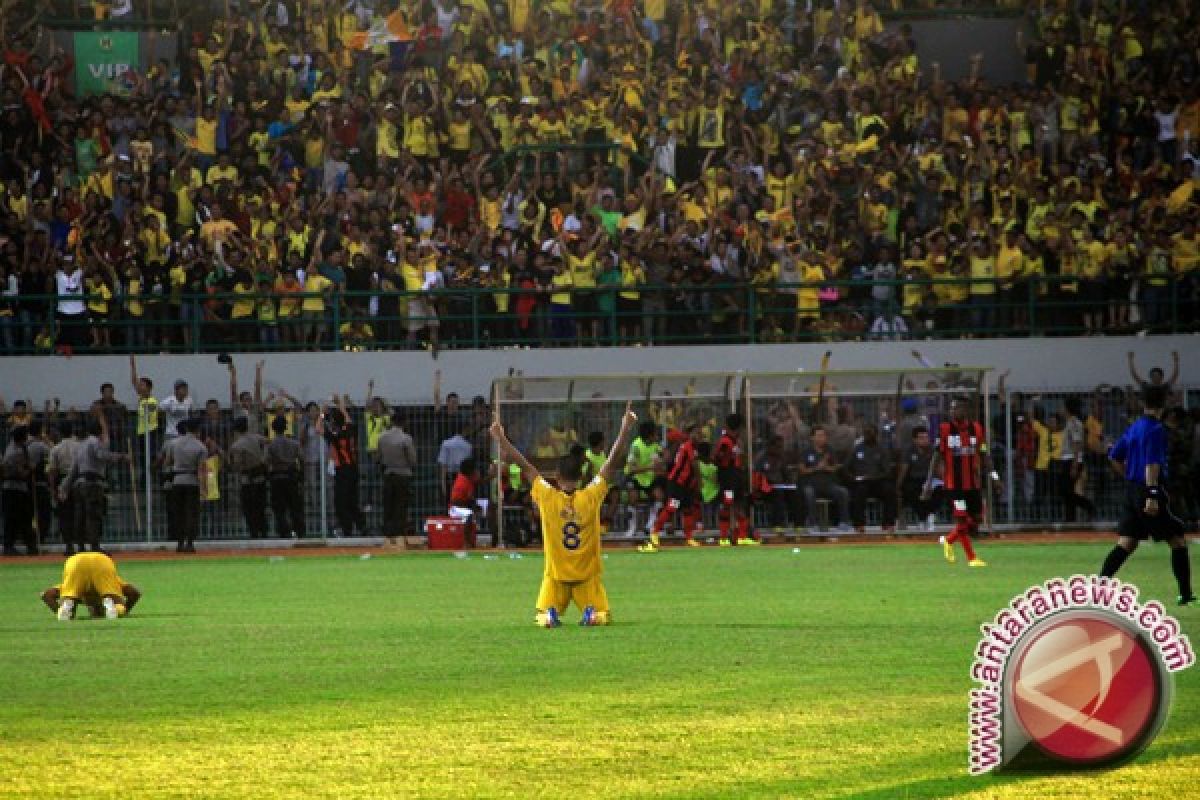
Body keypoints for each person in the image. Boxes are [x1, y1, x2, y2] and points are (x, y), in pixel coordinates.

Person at [490, 401, 638, 627]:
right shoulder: (590, 496)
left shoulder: (548, 496)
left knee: (540, 614)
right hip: (586, 576)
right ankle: (591, 615)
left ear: (557, 477)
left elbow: (525, 466)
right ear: (581, 478)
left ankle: (550, 616)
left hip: (556, 575)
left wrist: (501, 439)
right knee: (603, 616)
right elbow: (611, 463)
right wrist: (625, 429)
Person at [1100, 385, 1194, 606]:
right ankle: (1186, 594)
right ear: (1164, 405)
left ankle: (1099, 587)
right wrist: (1151, 493)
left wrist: (1130, 478)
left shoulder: (1134, 427)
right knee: (1178, 540)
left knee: (1127, 542)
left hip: (1133, 490)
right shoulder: (1156, 429)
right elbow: (1152, 464)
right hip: (1148, 490)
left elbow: (1114, 456)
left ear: (1144, 404)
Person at [923, 398, 998, 568]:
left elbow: (985, 454)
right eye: (951, 408)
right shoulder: (945, 430)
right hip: (953, 486)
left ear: (966, 410)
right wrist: (928, 483)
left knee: (977, 518)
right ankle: (972, 558)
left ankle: (948, 541)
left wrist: (994, 477)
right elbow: (936, 456)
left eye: (956, 408)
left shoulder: (977, 429)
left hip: (972, 485)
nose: (953, 411)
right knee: (962, 521)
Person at [63, 414, 128, 553]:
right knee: (93, 516)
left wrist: (64, 487)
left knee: (80, 517)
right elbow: (102, 455)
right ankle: (94, 546)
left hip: (79, 484)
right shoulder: (95, 442)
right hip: (93, 482)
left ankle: (80, 546)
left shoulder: (80, 446)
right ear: (99, 432)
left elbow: (73, 470)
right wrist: (121, 457)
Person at [642, 422, 705, 552]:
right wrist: (699, 482)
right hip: (677, 483)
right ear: (690, 434)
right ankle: (654, 533)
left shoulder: (690, 446)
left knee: (688, 510)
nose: (699, 436)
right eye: (696, 433)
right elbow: (694, 466)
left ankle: (688, 537)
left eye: (700, 434)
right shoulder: (688, 446)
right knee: (671, 508)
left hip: (685, 485)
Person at [41, 552, 141, 621]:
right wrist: (125, 609)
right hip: (101, 561)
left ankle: (65, 608)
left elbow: (46, 595)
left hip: (76, 562)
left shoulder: (74, 592)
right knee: (117, 603)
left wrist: (57, 609)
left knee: (70, 606)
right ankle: (116, 609)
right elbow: (135, 592)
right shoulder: (114, 582)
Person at [162, 418, 208, 553]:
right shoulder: (200, 447)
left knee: (179, 513)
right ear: (198, 430)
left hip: (177, 480)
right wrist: (204, 489)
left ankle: (179, 542)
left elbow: (167, 462)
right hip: (192, 481)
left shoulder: (173, 444)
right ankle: (189, 543)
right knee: (191, 513)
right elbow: (201, 470)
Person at [714, 413, 759, 546]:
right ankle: (723, 537)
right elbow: (717, 458)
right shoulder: (725, 441)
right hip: (728, 477)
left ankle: (742, 536)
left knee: (740, 505)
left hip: (736, 476)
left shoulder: (736, 441)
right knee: (727, 504)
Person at [324, 397, 366, 537]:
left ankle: (347, 529)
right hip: (353, 469)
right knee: (352, 500)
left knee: (341, 502)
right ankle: (361, 526)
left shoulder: (336, 436)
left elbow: (318, 428)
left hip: (342, 470)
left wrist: (321, 413)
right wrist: (340, 405)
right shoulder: (350, 430)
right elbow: (348, 419)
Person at [798, 426, 851, 533]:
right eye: (819, 435)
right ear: (812, 438)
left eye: (824, 435)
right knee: (809, 493)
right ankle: (812, 523)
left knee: (843, 492)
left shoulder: (830, 450)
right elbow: (802, 470)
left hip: (828, 485)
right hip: (811, 484)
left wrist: (826, 467)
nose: (822, 438)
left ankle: (844, 522)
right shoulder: (806, 451)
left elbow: (835, 467)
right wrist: (816, 468)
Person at [377, 409, 416, 548]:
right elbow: (412, 460)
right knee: (401, 507)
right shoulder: (406, 439)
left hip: (388, 474)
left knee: (388, 507)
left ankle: (388, 537)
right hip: (403, 475)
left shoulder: (382, 437)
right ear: (404, 422)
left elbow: (379, 457)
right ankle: (399, 536)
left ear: (392, 421)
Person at [848, 423, 897, 532]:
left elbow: (887, 471)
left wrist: (874, 476)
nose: (868, 435)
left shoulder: (882, 449)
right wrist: (853, 478)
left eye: (870, 433)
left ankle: (888, 523)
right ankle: (859, 525)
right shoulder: (857, 449)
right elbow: (847, 467)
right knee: (858, 492)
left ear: (876, 434)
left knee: (890, 491)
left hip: (878, 481)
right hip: (862, 482)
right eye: (866, 433)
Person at [227, 417, 269, 538]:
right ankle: (264, 531)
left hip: (247, 479)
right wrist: (263, 459)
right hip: (260, 476)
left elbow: (237, 465)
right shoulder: (256, 438)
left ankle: (254, 532)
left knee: (249, 509)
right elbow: (268, 442)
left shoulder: (237, 446)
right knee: (261, 507)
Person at [47, 422, 84, 555]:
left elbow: (52, 471)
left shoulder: (56, 449)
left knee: (65, 515)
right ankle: (81, 545)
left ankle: (69, 545)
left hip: (62, 481)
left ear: (60, 433)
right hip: (79, 480)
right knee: (79, 514)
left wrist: (53, 490)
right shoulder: (80, 446)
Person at [266, 415, 305, 539]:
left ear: (273, 428)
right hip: (291, 476)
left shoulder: (271, 445)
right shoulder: (294, 443)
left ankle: (284, 532)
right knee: (295, 506)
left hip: (277, 477)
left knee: (279, 509)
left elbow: (265, 461)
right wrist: (301, 474)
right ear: (286, 427)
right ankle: (299, 531)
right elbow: (302, 458)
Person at [1, 425, 36, 555]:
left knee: (16, 518)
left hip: (13, 488)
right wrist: (31, 469)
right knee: (18, 518)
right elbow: (22, 473)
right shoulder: (16, 453)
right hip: (15, 488)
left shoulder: (16, 446)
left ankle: (14, 544)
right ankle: (11, 545)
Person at [896, 427, 937, 532]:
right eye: (921, 438)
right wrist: (898, 485)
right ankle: (922, 519)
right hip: (914, 479)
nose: (925, 440)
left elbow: (939, 468)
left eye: (926, 437)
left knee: (939, 490)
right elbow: (904, 469)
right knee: (911, 490)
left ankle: (930, 516)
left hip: (931, 479)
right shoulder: (909, 451)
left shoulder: (933, 450)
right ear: (914, 440)